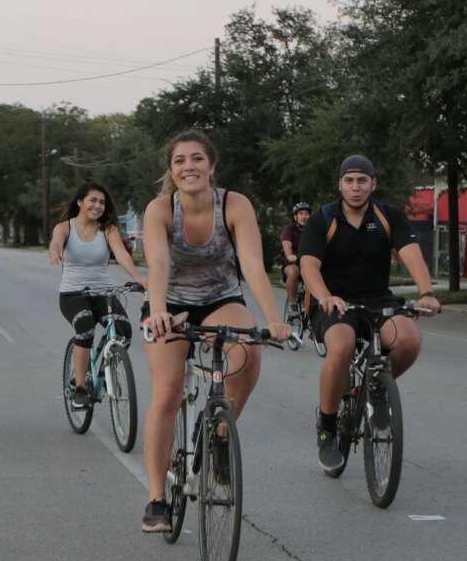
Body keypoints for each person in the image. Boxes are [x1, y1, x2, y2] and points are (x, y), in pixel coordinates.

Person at [139, 130, 291, 533]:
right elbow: (156, 264)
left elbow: (253, 266)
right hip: (169, 304)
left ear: (212, 165)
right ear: (171, 170)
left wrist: (273, 320)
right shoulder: (159, 209)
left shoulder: (235, 204)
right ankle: (157, 497)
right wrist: (156, 312)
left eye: (196, 159)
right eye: (180, 161)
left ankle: (220, 436)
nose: (188, 167)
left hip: (220, 298)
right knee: (168, 392)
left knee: (247, 352)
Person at [299, 155, 441, 473]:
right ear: (340, 185)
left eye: (362, 180)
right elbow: (308, 264)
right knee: (342, 345)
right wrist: (324, 296)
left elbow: (410, 253)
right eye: (349, 180)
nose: (355, 187)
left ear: (373, 184)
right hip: (333, 303)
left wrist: (426, 292)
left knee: (408, 340)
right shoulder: (323, 218)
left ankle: (376, 388)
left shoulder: (388, 216)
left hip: (376, 299)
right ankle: (327, 427)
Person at [48, 181, 147, 408]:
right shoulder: (65, 227)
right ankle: (80, 387)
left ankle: (104, 367)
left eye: (102, 202)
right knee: (85, 328)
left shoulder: (108, 229)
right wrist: (55, 252)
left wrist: (137, 276)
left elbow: (121, 253)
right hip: (72, 294)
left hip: (103, 291)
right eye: (93, 200)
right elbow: (56, 242)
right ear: (80, 202)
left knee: (123, 333)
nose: (98, 205)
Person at [281, 202, 311, 317]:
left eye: (307, 214)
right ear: (295, 217)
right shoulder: (289, 229)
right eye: (301, 213)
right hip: (293, 262)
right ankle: (292, 304)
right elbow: (287, 244)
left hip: (309, 263)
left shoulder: (313, 230)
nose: (304, 216)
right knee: (293, 271)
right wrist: (290, 255)